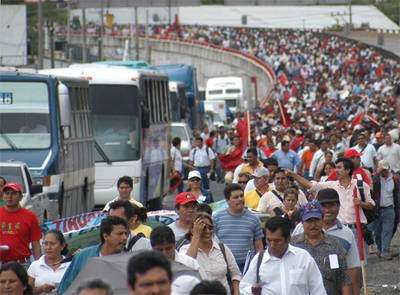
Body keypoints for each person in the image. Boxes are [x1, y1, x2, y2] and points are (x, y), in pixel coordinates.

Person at [287, 158, 375, 254]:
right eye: (336, 167)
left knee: (356, 263)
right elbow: (310, 185)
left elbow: (371, 206)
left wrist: (361, 203)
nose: (335, 170)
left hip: (357, 229)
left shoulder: (361, 185)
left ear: (347, 170)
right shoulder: (331, 185)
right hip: (337, 229)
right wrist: (294, 175)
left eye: (339, 167)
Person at [240, 216, 326, 295]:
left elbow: (318, 289)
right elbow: (242, 288)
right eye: (269, 240)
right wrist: (251, 290)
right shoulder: (259, 260)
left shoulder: (303, 258)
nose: (272, 245)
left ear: (288, 239)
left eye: (277, 241)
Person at [291, 201, 352, 295]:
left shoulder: (334, 244)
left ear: (322, 220)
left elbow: (344, 278)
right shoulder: (293, 245)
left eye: (316, 220)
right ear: (302, 223)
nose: (313, 225)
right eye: (309, 221)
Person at [57, 216, 129, 294]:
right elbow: (65, 289)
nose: (125, 237)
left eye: (126, 234)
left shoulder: (128, 263)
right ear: (105, 236)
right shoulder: (83, 257)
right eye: (120, 234)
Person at [179, 212, 241, 295]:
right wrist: (196, 235)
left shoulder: (222, 249)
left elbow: (235, 275)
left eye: (210, 227)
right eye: (203, 228)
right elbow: (189, 267)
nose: (207, 231)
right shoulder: (185, 250)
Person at [213, 183, 264, 271]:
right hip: (224, 267)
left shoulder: (254, 219)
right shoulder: (217, 218)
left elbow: (259, 247)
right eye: (236, 197)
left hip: (247, 267)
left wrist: (258, 267)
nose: (240, 199)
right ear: (227, 200)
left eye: (241, 196)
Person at [0, 182, 42, 266]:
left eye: (13, 194)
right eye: (7, 193)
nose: (9, 197)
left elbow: (36, 244)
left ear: (20, 197)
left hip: (22, 263)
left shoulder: (30, 216)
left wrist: (39, 266)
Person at [370, 160, 400, 260]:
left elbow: (396, 194)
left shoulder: (394, 178)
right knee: (377, 232)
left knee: (387, 231)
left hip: (389, 208)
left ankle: (385, 251)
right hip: (377, 209)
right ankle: (380, 249)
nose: (384, 172)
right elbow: (372, 185)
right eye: (382, 170)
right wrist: (377, 173)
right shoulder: (376, 178)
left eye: (385, 170)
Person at [27, 229, 71, 295]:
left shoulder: (70, 265)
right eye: (45, 244)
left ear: (62, 246)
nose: (48, 247)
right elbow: (26, 292)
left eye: (52, 244)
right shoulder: (35, 266)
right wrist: (41, 289)